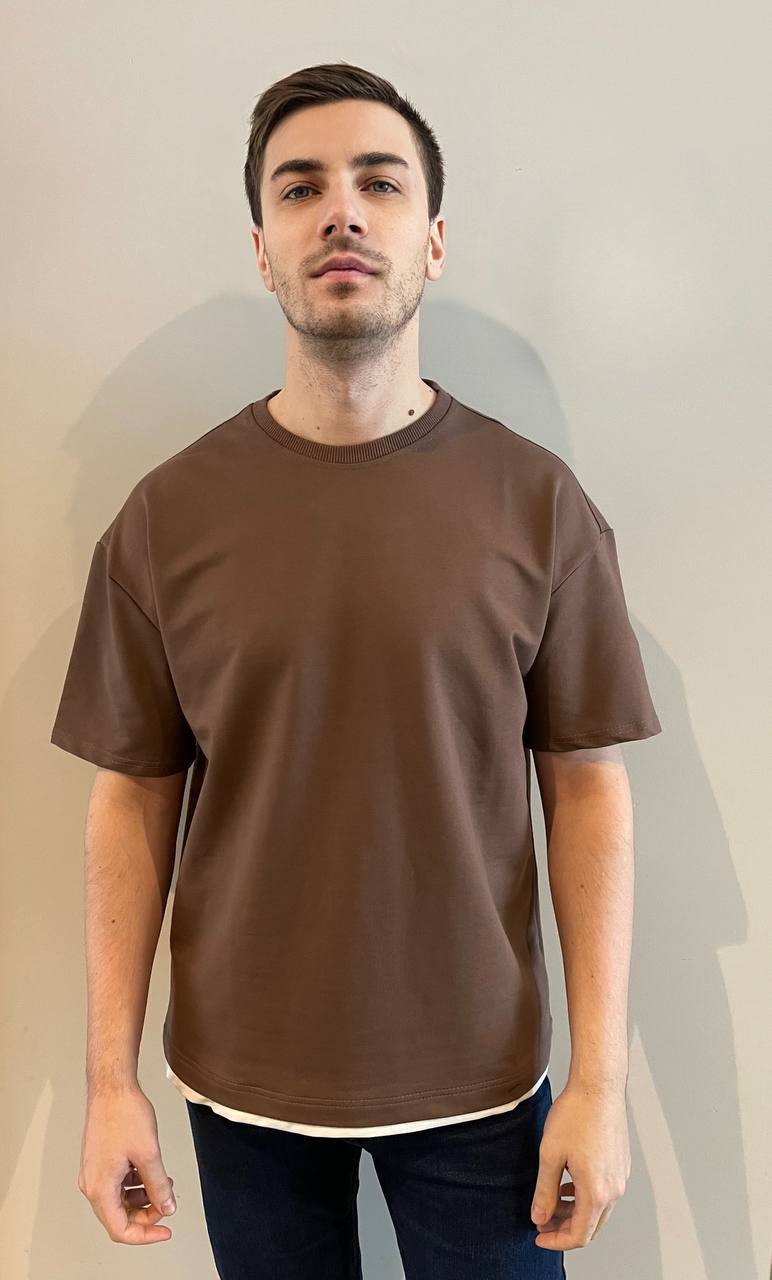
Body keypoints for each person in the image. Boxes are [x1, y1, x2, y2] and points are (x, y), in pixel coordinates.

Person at [51, 60, 662, 1278]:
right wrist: (108, 1081)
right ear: (262, 250)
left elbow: (587, 788)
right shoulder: (167, 518)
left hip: (484, 1081)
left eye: (379, 183)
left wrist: (598, 1082)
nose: (341, 210)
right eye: (301, 188)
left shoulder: (538, 504)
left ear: (432, 240)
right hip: (239, 1084)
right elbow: (132, 798)